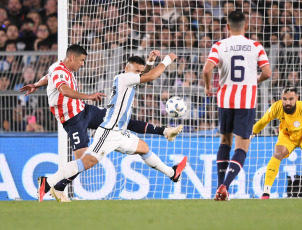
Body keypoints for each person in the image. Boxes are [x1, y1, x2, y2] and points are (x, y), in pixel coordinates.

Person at [20, 44, 183, 202]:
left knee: (143, 147)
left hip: (91, 114)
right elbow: (63, 89)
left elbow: (144, 74)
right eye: (82, 60)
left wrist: (150, 62)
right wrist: (167, 60)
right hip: (85, 123)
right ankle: (49, 183)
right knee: (85, 161)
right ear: (71, 57)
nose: (83, 64)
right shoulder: (123, 78)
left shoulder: (128, 77)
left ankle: (172, 172)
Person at [202, 11, 271, 201]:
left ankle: (218, 187)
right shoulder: (255, 46)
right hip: (246, 102)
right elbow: (267, 72)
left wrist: (209, 87)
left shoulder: (219, 45)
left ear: (227, 27)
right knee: (242, 147)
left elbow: (207, 69)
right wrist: (255, 79)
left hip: (224, 100)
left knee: (225, 142)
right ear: (246, 26)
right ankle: (225, 186)